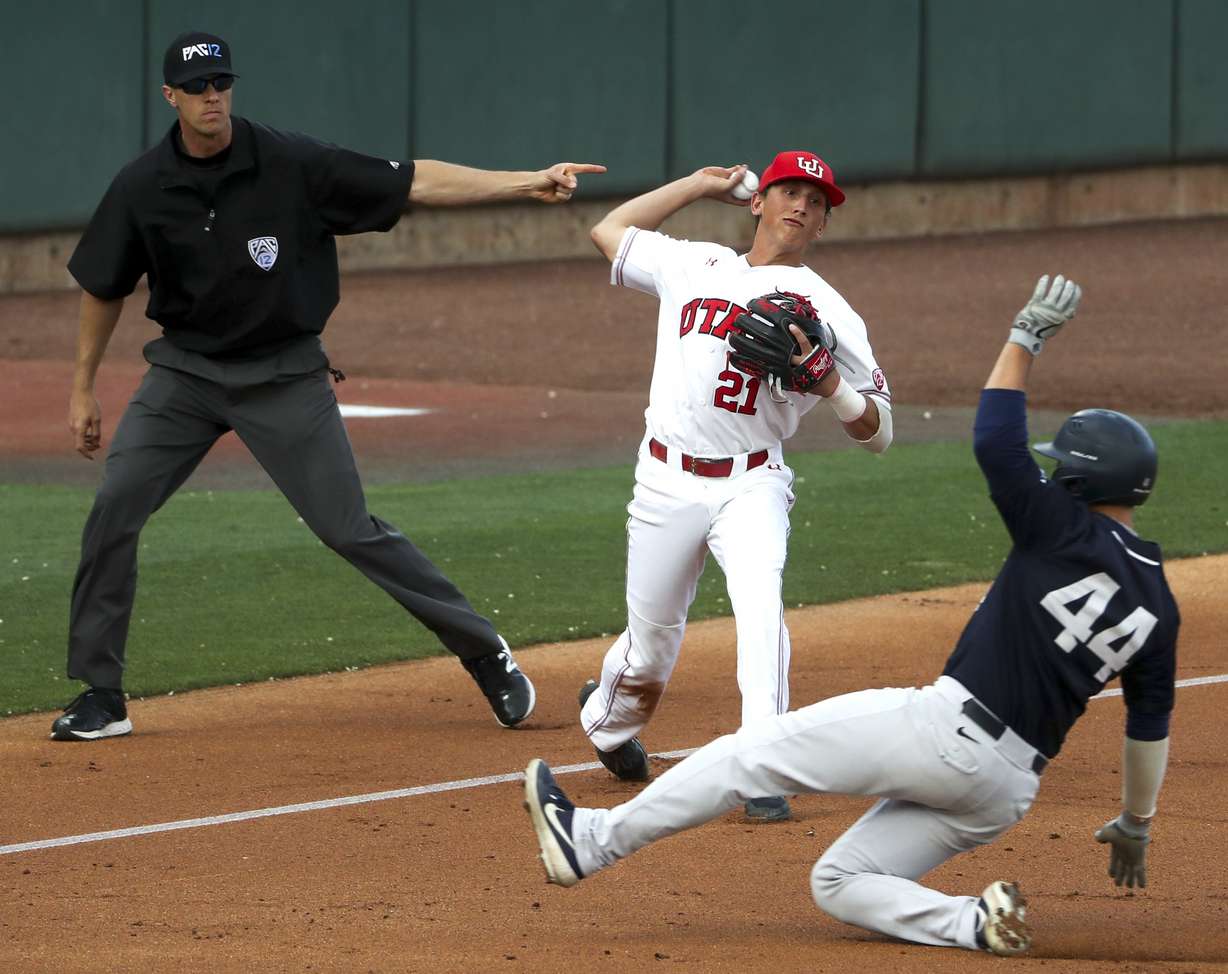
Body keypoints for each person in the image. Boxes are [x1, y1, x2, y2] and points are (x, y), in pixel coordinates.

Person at [524, 274, 1178, 956]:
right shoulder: (1158, 601)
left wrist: (1024, 338)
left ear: (1074, 481)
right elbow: (1149, 727)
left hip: (945, 736)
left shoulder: (1057, 527)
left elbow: (996, 441)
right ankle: (971, 922)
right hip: (1006, 792)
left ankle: (591, 843)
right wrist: (1136, 822)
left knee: (752, 754)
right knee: (840, 879)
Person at [50, 30, 606, 741]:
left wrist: (525, 181)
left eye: (221, 82)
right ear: (171, 98)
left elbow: (415, 180)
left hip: (283, 373)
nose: (211, 95)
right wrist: (81, 387)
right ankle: (101, 694)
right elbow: (103, 284)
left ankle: (484, 653)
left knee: (349, 528)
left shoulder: (290, 161)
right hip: (185, 375)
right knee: (115, 507)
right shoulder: (142, 185)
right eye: (196, 88)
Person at [579, 151, 892, 821]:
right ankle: (609, 723)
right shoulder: (698, 265)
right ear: (758, 201)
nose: (802, 205)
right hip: (663, 479)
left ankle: (761, 766)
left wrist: (831, 385)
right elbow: (608, 229)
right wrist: (698, 185)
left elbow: (879, 430)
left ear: (824, 222)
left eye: (817, 199)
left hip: (753, 483)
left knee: (760, 610)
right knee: (650, 650)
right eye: (788, 190)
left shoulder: (834, 313)